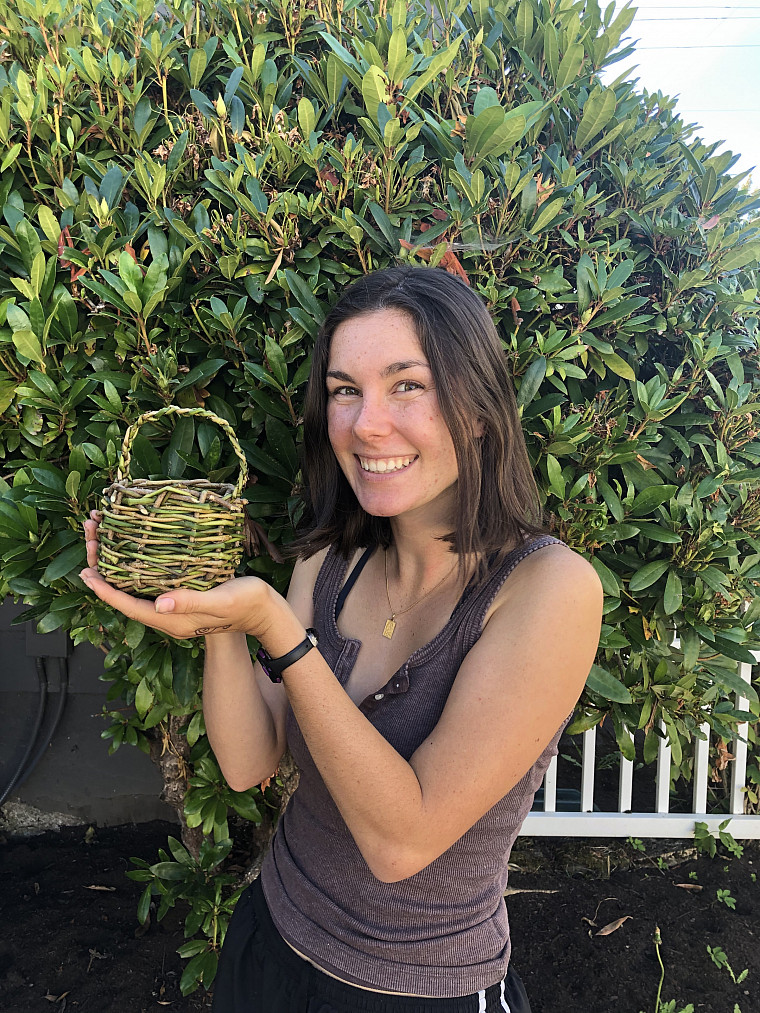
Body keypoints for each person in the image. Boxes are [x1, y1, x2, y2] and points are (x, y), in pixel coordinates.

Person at [81, 266, 603, 1013]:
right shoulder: (328, 562)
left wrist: (279, 632)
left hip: (415, 988)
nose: (365, 423)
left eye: (407, 385)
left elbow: (403, 842)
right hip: (273, 940)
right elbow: (246, 761)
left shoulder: (547, 588)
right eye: (344, 389)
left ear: (480, 410)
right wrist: (221, 626)